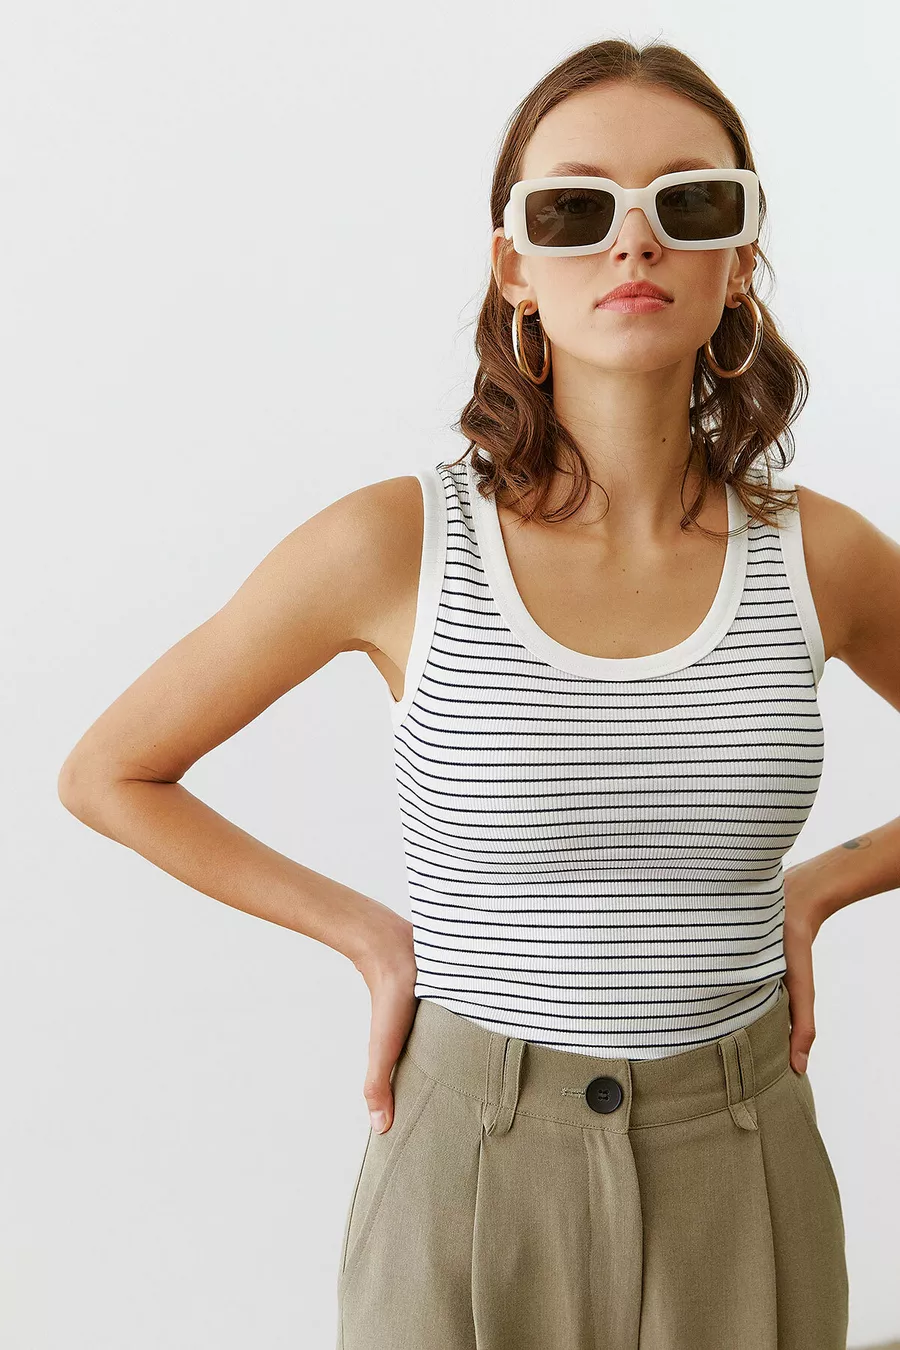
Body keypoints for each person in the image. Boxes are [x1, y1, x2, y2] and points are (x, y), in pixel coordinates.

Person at [58, 36, 900, 1350]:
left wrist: (825, 882)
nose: (634, 242)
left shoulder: (822, 557)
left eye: (691, 203)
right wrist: (366, 934)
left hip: (744, 1171)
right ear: (513, 262)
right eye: (575, 210)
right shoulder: (394, 545)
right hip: (466, 1169)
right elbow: (111, 771)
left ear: (740, 256)